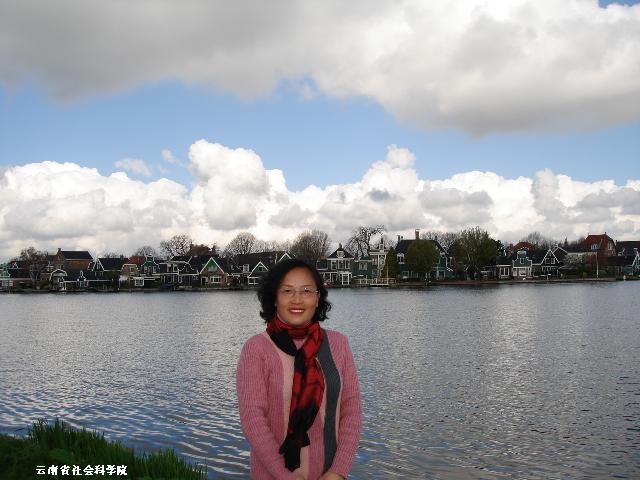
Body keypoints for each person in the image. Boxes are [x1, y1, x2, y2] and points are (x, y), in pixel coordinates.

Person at [237, 259, 361, 480]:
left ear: (317, 298)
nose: (297, 299)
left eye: (306, 291)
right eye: (287, 291)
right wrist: (285, 476)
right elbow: (253, 421)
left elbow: (351, 411)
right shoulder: (256, 349)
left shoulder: (338, 344)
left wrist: (338, 471)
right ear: (274, 299)